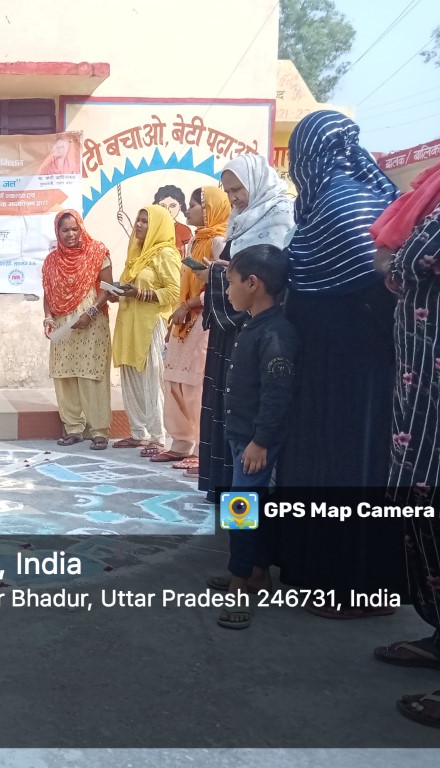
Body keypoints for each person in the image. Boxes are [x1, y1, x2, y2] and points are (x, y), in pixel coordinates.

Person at [274, 110, 407, 617]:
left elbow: (378, 292)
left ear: (309, 156)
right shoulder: (350, 200)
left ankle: (349, 588)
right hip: (341, 370)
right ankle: (326, 577)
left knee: (344, 470)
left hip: (353, 375)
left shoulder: (341, 204)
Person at [370, 162, 440, 727]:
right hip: (420, 396)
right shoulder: (430, 192)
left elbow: (406, 259)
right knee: (424, 515)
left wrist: (397, 260)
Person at [197, 153, 293, 503]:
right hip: (235, 337)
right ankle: (237, 526)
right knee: (241, 479)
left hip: (249, 332)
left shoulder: (280, 214)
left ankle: (243, 537)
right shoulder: (239, 221)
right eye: (228, 191)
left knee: (248, 485)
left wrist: (261, 439)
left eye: (238, 189)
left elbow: (276, 394)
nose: (233, 197)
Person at [213, 245, 298, 629]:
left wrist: (261, 441)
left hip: (254, 442)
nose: (227, 290)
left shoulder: (276, 334)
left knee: (241, 513)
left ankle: (238, 587)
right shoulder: (255, 324)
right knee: (250, 510)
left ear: (253, 283)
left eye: (230, 282)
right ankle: (256, 573)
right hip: (243, 437)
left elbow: (278, 394)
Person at [151, 187, 228, 468]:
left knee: (196, 386)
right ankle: (180, 443)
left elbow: (223, 285)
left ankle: (200, 449)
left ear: (209, 210)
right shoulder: (195, 241)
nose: (187, 210)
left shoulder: (219, 242)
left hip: (203, 321)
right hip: (184, 319)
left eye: (194, 205)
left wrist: (189, 304)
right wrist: (180, 311)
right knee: (174, 381)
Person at [110, 205, 180, 453]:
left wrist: (140, 293)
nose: (138, 225)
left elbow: (174, 292)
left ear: (158, 226)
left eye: (145, 221)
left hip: (151, 324)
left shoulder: (166, 254)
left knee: (151, 379)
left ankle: (158, 437)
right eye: (138, 220)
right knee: (131, 376)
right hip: (129, 322)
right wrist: (118, 293)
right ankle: (138, 432)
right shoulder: (136, 253)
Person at [42, 210, 113, 449]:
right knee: (64, 375)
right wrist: (48, 318)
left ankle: (99, 430)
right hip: (63, 324)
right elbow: (48, 294)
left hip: (92, 321)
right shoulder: (52, 261)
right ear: (57, 232)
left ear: (81, 228)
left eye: (74, 229)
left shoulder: (97, 252)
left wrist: (90, 312)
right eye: (65, 230)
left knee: (91, 374)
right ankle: (73, 428)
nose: (70, 234)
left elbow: (107, 288)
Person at [153, 184, 193, 258]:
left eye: (172, 206)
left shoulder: (185, 230)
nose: (168, 210)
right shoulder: (151, 228)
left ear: (180, 206)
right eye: (163, 206)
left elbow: (190, 257)